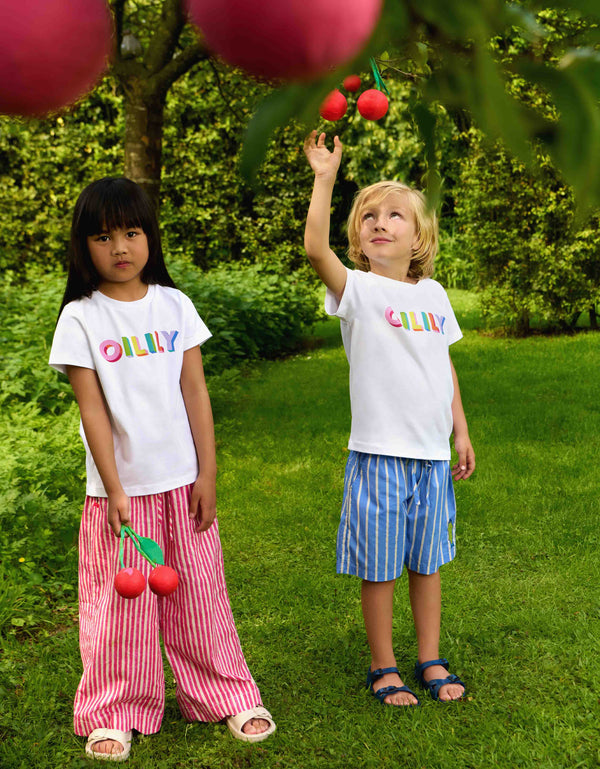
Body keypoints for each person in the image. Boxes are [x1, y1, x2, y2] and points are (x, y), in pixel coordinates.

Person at [49, 177, 276, 760]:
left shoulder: (175, 305)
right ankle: (113, 708)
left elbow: (195, 392)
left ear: (150, 236)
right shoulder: (81, 317)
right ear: (84, 246)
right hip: (119, 499)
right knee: (118, 608)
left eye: (132, 231)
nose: (120, 247)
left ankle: (226, 694)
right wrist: (116, 489)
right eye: (103, 236)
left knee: (200, 595)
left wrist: (209, 473)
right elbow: (92, 410)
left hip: (182, 485)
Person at [303, 131, 475, 707]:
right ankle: (385, 665)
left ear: (419, 236)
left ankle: (430, 658)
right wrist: (325, 178)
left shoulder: (436, 296)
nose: (380, 223)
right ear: (358, 237)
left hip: (430, 457)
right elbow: (314, 252)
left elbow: (442, 365)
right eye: (369, 217)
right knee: (380, 568)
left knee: (427, 565)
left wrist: (461, 431)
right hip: (378, 454)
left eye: (396, 215)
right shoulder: (360, 290)